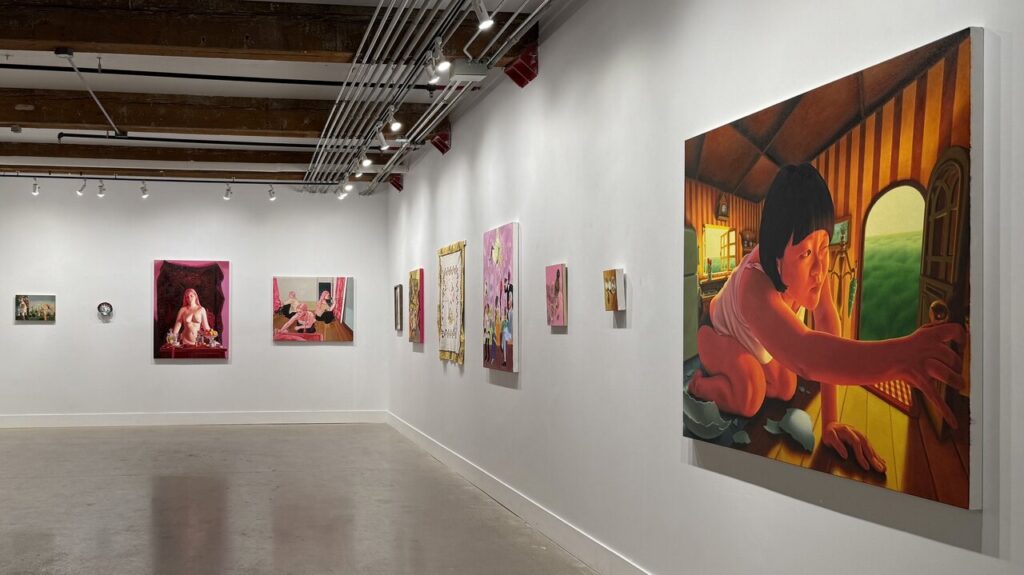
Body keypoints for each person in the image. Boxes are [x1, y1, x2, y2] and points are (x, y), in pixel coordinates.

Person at [690, 163, 964, 473]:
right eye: (806, 253)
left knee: (786, 386)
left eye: (824, 247)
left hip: (753, 342)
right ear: (776, 258)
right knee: (749, 396)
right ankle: (700, 386)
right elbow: (806, 355)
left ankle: (747, 369)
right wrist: (900, 357)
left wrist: (831, 421)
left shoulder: (814, 272)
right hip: (716, 333)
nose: (820, 268)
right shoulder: (753, 284)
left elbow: (826, 324)